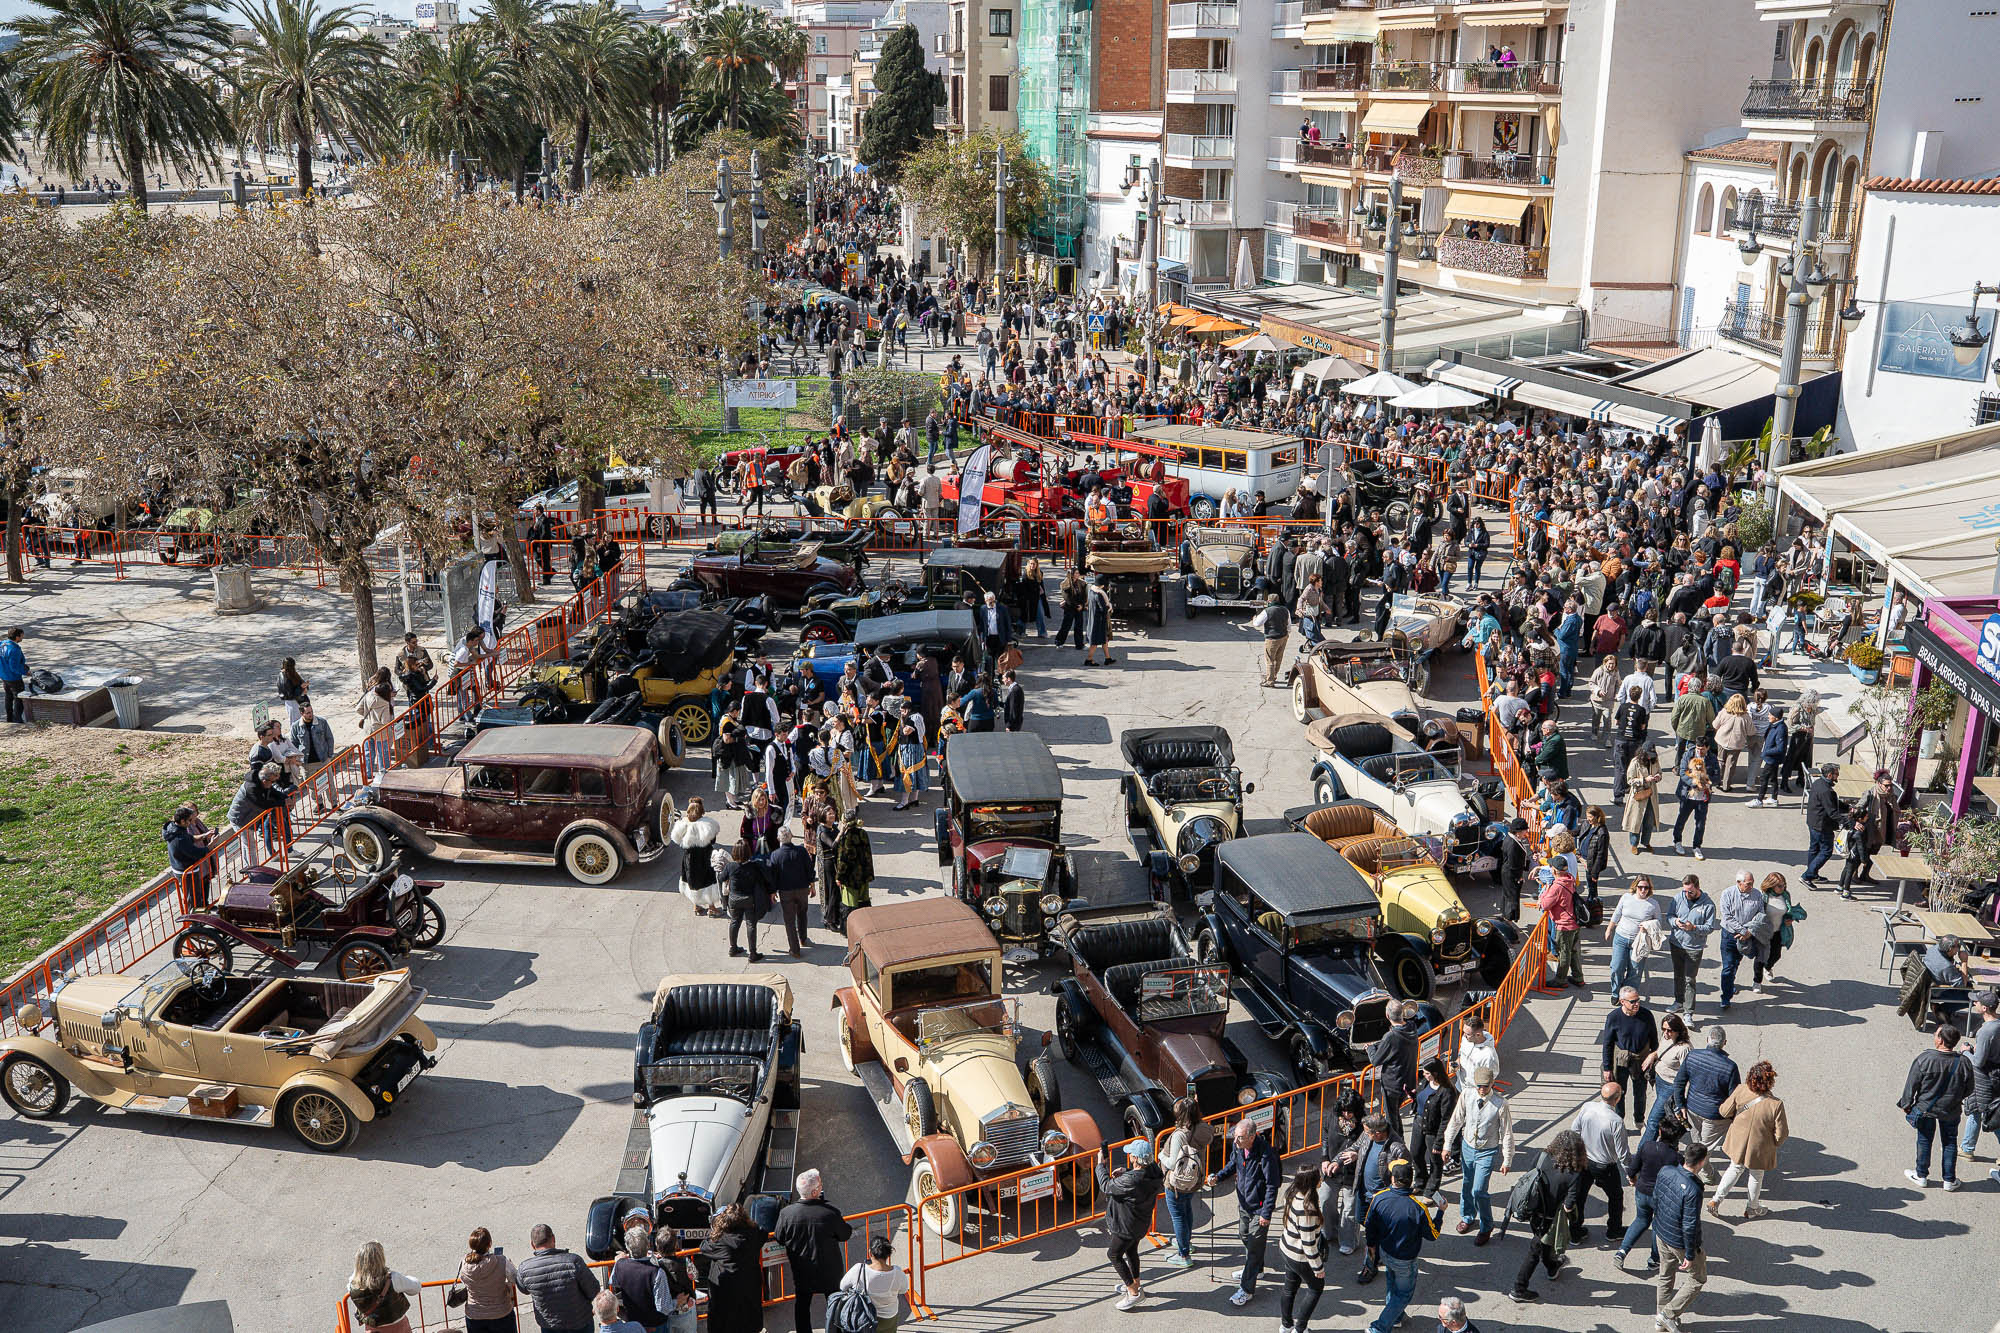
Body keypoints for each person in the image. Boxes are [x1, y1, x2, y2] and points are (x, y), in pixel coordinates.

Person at [1209, 1117, 1281, 1306]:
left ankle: (1247, 1289)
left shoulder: (1266, 1154)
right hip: (1244, 1203)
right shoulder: (1238, 1147)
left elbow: (1272, 1185)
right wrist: (1219, 1176)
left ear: (1252, 1136)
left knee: (1254, 1249)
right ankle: (1257, 1269)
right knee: (1244, 1235)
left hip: (1258, 1208)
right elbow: (1233, 1163)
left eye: (1240, 1137)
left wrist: (1266, 1213)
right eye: (1235, 1136)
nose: (1235, 1141)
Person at [1509, 1129, 1587, 1304]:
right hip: (1549, 1218)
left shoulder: (1542, 1156)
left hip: (1532, 1210)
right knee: (1535, 1250)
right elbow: (1568, 1206)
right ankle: (1519, 1288)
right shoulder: (1574, 1173)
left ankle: (1552, 1266)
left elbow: (1529, 1175)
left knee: (1542, 1243)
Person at [774, 1167, 854, 1333]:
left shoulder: (786, 1214)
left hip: (802, 1271)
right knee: (834, 1304)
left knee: (802, 1305)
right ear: (816, 1191)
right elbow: (845, 1234)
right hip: (830, 1272)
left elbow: (779, 1237)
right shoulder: (830, 1213)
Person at [1362, 1159, 1437, 1333]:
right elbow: (1432, 1235)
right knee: (1403, 1294)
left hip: (1385, 1253)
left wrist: (1371, 1248)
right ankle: (1379, 1328)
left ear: (1393, 1179)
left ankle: (1395, 1317)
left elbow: (1370, 1226)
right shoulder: (1418, 1207)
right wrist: (1440, 1212)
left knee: (1392, 1284)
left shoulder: (1379, 1198)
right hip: (1405, 1259)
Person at [1442, 1064, 1512, 1244]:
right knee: (1466, 1183)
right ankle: (1467, 1216)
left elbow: (1506, 1132)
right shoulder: (1467, 1094)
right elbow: (1456, 1120)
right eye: (1479, 1085)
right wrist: (1447, 1145)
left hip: (1487, 1150)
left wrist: (1507, 1158)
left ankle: (1486, 1225)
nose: (1481, 1089)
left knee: (1479, 1189)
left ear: (1492, 1084)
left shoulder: (1500, 1103)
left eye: (1485, 1086)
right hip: (1467, 1147)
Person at [1899, 1023, 1974, 1190]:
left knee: (1924, 1140)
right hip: (1951, 1110)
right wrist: (1956, 1098)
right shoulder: (1963, 1063)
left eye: (1936, 1034)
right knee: (1950, 1142)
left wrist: (1906, 1104)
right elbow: (1970, 1088)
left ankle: (1921, 1175)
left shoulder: (1925, 1059)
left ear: (1940, 1040)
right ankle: (1949, 1180)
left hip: (1926, 1109)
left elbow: (1911, 1085)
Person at [1709, 1060, 1787, 1219]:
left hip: (1738, 1140)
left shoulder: (1740, 1090)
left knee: (1734, 1167)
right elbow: (1781, 1133)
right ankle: (1752, 1207)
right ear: (1770, 1081)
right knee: (1756, 1175)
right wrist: (1774, 1143)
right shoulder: (1776, 1104)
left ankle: (1716, 1200)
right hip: (1759, 1146)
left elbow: (1724, 1111)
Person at [1097, 1136, 1164, 1310]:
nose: (1129, 1157)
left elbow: (1106, 1186)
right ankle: (1136, 1284)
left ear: (1135, 1158)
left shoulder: (1132, 1180)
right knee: (1132, 1251)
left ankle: (1133, 1292)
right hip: (1140, 1224)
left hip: (1126, 1225)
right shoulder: (1153, 1171)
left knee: (1114, 1255)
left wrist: (1100, 1165)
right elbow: (1137, 1176)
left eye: (1131, 1155)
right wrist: (1126, 1171)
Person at [1651, 1144, 1709, 1333]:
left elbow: (1656, 1198)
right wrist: (1690, 1254)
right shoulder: (1693, 1189)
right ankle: (1667, 1314)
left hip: (1661, 1231)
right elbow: (1689, 1224)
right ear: (1701, 1162)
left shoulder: (1666, 1171)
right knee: (1697, 1278)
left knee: (1665, 1275)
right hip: (1679, 1241)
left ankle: (1661, 1322)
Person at [1616, 1115, 1684, 1273]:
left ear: (1660, 1131)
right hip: (1661, 1196)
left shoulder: (1647, 1146)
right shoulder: (1676, 1157)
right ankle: (1654, 1260)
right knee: (1657, 1226)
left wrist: (1632, 1179)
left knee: (1640, 1220)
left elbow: (1632, 1168)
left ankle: (1621, 1252)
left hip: (1642, 1191)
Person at [1675, 1026, 1741, 1178]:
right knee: (1704, 1149)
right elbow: (1733, 1097)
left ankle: (1705, 1172)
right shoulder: (1730, 1067)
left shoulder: (1692, 1056)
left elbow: (1679, 1082)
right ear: (1724, 1042)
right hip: (1715, 1116)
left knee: (1698, 1143)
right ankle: (1705, 1174)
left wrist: (1680, 1105)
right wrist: (1734, 1118)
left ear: (1707, 1040)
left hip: (1692, 1109)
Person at [1159, 1095, 1215, 1269]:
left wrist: (1161, 1154)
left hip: (1177, 1182)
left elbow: (1172, 1162)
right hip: (1194, 1179)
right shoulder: (1203, 1129)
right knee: (1186, 1211)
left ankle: (1183, 1254)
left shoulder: (1179, 1136)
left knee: (1178, 1216)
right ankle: (1186, 1242)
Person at [1573, 1080, 1631, 1241]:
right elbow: (1623, 1154)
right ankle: (1614, 1230)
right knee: (1616, 1197)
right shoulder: (1616, 1121)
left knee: (1579, 1196)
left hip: (1584, 1161)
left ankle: (1575, 1232)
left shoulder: (1587, 1107)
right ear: (1618, 1098)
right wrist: (1631, 1174)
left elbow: (1574, 1130)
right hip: (1605, 1167)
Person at [694, 1205, 767, 1333]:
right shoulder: (754, 1234)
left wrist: (716, 1231)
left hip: (725, 1293)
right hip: (749, 1290)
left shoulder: (720, 1241)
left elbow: (704, 1247)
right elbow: (763, 1232)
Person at [516, 1224, 599, 1333]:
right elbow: (593, 1290)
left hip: (549, 1326)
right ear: (553, 1238)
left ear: (532, 1244)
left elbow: (524, 1289)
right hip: (580, 1322)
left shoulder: (524, 1269)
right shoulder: (573, 1261)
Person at [1276, 1166, 1328, 1331]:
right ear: (1312, 1183)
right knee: (1316, 1288)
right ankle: (1300, 1328)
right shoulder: (1308, 1210)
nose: (1321, 1179)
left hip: (1286, 1248)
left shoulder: (1291, 1193)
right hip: (1299, 1256)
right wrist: (1318, 1268)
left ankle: (1286, 1325)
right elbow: (1309, 1245)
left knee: (1289, 1288)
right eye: (1319, 1177)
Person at [1601, 988, 1659, 1127]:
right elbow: (1607, 1044)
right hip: (1621, 1062)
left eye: (1638, 1000)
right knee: (1619, 1093)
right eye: (1633, 1001)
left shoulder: (1646, 1015)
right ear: (1622, 1002)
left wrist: (1653, 1057)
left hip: (1641, 1061)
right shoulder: (1613, 1017)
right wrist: (1607, 1068)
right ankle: (1619, 1120)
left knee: (1640, 1093)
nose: (1636, 1004)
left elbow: (1654, 1040)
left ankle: (1639, 1119)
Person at [1663, 875, 1716, 1019]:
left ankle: (1688, 1012)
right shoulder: (1678, 898)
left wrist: (1693, 927)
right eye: (1685, 891)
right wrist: (1675, 922)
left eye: (1690, 892)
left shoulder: (1708, 905)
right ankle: (1679, 1001)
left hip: (1694, 947)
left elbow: (1710, 927)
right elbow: (1669, 916)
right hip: (1676, 943)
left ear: (1697, 888)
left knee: (1689, 979)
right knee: (1678, 975)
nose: (1687, 894)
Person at [1960, 990, 2000, 1171]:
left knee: (1990, 1115)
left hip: (1985, 1077)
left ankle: (1967, 1148)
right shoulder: (1997, 1024)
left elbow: (1978, 1062)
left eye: (1976, 1002)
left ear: (1984, 1008)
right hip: (1996, 1073)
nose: (1973, 1004)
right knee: (1977, 1110)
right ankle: (1967, 1148)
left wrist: (1966, 1052)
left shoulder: (1986, 1031)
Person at [1410, 1057, 1458, 1203]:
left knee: (1435, 1161)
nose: (1424, 1075)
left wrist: (1439, 1143)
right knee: (1416, 1154)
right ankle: (1420, 1182)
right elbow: (1420, 1098)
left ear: (1435, 1073)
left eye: (1426, 1073)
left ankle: (1431, 1190)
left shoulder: (1447, 1092)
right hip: (1419, 1123)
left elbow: (1445, 1120)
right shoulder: (1425, 1083)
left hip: (1433, 1130)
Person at [1605, 876, 1662, 999]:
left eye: (1646, 887)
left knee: (1635, 971)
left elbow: (1658, 922)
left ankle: (1628, 996)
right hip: (1621, 937)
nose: (1643, 890)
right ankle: (1615, 993)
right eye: (1640, 887)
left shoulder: (1653, 904)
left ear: (1649, 889)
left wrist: (1647, 926)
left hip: (1639, 942)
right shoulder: (1626, 897)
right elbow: (1617, 913)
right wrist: (1609, 929)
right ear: (1635, 887)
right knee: (1616, 967)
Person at [458, 1226, 523, 1333]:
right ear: (489, 1244)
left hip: (474, 1315)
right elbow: (514, 1279)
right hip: (501, 1313)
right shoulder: (502, 1261)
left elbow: (464, 1281)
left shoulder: (464, 1263)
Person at [1717, 869, 1765, 1012]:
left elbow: (1761, 914)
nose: (1751, 886)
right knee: (1727, 967)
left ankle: (1730, 983)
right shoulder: (1727, 894)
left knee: (1736, 962)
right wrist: (1743, 931)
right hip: (1729, 936)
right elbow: (1727, 917)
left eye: (1752, 883)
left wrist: (1749, 931)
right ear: (1739, 883)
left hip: (1747, 937)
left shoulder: (1757, 895)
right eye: (1748, 884)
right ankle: (1726, 997)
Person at [839, 1234, 908, 1332]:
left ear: (870, 1253)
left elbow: (842, 1286)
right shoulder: (898, 1272)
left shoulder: (859, 1269)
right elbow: (903, 1290)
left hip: (864, 1317)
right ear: (889, 1254)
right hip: (890, 1317)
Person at [1642, 1013, 1694, 1143]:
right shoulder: (1666, 1038)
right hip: (1659, 1081)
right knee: (1664, 1116)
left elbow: (1688, 1074)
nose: (1665, 1033)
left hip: (1671, 1087)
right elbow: (1661, 1050)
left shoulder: (1684, 1049)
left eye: (1669, 1030)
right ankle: (1668, 1141)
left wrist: (1681, 1099)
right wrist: (1652, 1055)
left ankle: (1643, 1152)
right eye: (1663, 1029)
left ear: (1678, 1031)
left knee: (1653, 1120)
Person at [346, 1241, 420, 1333]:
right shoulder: (393, 1279)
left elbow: (354, 1277)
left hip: (373, 1329)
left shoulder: (352, 1286)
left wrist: (360, 1269)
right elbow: (415, 1288)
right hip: (398, 1327)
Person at [768, 827, 815, 957]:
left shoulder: (775, 855)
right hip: (802, 889)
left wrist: (772, 891)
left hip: (785, 891)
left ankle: (795, 950)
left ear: (778, 839)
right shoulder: (801, 851)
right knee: (802, 913)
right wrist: (812, 885)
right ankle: (803, 938)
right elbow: (809, 869)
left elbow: (773, 875)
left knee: (789, 920)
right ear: (792, 836)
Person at [670, 798, 721, 917]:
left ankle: (696, 906)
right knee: (709, 880)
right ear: (702, 811)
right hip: (706, 857)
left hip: (690, 859)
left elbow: (677, 839)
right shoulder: (708, 824)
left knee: (692, 881)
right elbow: (712, 840)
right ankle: (711, 908)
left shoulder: (682, 825)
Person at [1538, 859, 1584, 988]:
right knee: (1572, 951)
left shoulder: (1556, 887)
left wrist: (1544, 892)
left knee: (1564, 953)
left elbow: (1544, 905)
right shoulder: (1570, 879)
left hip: (1564, 925)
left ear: (1554, 870)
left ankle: (1560, 980)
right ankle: (1578, 977)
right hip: (1575, 922)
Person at [721, 838, 769, 963]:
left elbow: (722, 878)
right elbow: (762, 880)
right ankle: (753, 953)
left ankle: (733, 948)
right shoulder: (754, 866)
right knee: (751, 924)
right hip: (749, 899)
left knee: (734, 922)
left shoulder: (730, 866)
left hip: (734, 899)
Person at [1802, 761, 1843, 886]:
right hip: (1822, 825)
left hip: (1813, 822)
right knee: (1826, 851)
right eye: (1836, 774)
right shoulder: (1826, 791)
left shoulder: (1818, 783)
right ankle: (1807, 875)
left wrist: (1847, 808)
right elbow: (1832, 812)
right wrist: (1848, 821)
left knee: (1814, 849)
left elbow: (1831, 803)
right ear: (1830, 775)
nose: (1838, 776)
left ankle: (1812, 874)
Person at [833, 809, 875, 927]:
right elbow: (868, 854)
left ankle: (850, 929)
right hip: (864, 875)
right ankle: (866, 925)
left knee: (850, 906)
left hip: (850, 878)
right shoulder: (863, 833)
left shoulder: (846, 837)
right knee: (863, 901)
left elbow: (843, 859)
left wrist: (839, 877)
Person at [1669, 748, 1713, 860]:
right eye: (1698, 748)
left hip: (1702, 798)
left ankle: (1697, 846)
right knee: (1681, 820)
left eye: (1703, 749)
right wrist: (1694, 784)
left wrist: (1707, 784)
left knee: (1700, 824)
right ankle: (1677, 842)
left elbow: (1716, 774)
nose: (1700, 751)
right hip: (1688, 796)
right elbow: (1683, 773)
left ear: (1707, 748)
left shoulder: (1711, 757)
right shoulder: (1688, 755)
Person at [1623, 743, 1663, 852]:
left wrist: (1658, 776)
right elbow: (1630, 780)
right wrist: (1644, 780)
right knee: (1636, 821)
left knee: (1649, 821)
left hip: (1651, 794)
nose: (1650, 757)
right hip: (1639, 795)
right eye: (1648, 755)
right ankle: (1634, 844)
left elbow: (1659, 771)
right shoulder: (1635, 762)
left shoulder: (1655, 760)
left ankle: (1646, 842)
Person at [1251, 592, 1290, 688]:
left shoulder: (1267, 611)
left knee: (1270, 660)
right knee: (1278, 658)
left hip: (1272, 638)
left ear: (1269, 601)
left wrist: (1254, 618)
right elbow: (1289, 624)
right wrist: (1287, 634)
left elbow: (1257, 624)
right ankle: (1273, 676)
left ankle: (1270, 681)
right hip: (1283, 637)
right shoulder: (1285, 610)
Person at [1083, 575, 1116, 666]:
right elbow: (1103, 609)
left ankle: (1107, 658)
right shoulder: (1099, 594)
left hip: (1093, 619)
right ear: (1102, 585)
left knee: (1104, 639)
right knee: (1094, 642)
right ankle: (1088, 660)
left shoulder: (1091, 590)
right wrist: (1109, 607)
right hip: (1098, 622)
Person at [394, 632, 436, 703]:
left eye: (416, 641)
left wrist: (423, 668)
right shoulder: (400, 654)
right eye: (413, 642)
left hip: (422, 680)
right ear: (407, 642)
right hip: (410, 684)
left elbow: (430, 664)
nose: (416, 643)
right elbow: (396, 670)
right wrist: (403, 673)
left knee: (425, 702)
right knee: (413, 703)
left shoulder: (422, 650)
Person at [0, 627, 26, 724]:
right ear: (17, 637)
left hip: (4, 676)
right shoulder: (14, 649)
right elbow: (14, 667)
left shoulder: (2, 644)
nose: (23, 637)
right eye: (22, 635)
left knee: (8, 697)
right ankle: (17, 720)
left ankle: (9, 718)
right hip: (14, 678)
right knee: (19, 699)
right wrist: (25, 672)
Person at [278, 656, 311, 727]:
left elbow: (300, 682)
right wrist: (301, 688)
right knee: (295, 723)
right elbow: (289, 694)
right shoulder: (284, 677)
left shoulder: (293, 673)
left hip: (299, 700)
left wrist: (305, 687)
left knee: (302, 721)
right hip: (292, 702)